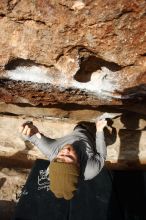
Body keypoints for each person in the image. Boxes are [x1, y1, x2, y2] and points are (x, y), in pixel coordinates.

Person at [19, 118, 107, 200]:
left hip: (79, 128)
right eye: (70, 156)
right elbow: (101, 155)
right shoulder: (90, 169)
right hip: (92, 136)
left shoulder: (51, 151)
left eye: (60, 156)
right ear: (78, 165)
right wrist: (99, 130)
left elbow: (31, 137)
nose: (65, 150)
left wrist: (28, 127)